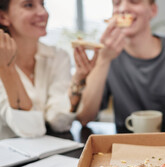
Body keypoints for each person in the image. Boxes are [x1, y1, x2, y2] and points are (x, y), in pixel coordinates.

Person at [76, 0, 165, 134]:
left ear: (153, 10)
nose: (123, 8)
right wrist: (103, 60)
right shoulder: (107, 55)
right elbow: (84, 117)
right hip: (126, 151)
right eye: (117, 3)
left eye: (134, 1)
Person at [0, 0, 95, 139]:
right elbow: (31, 130)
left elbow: (59, 122)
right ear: (3, 17)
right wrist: (7, 69)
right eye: (28, 5)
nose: (43, 13)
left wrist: (79, 78)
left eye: (42, 4)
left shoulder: (58, 57)